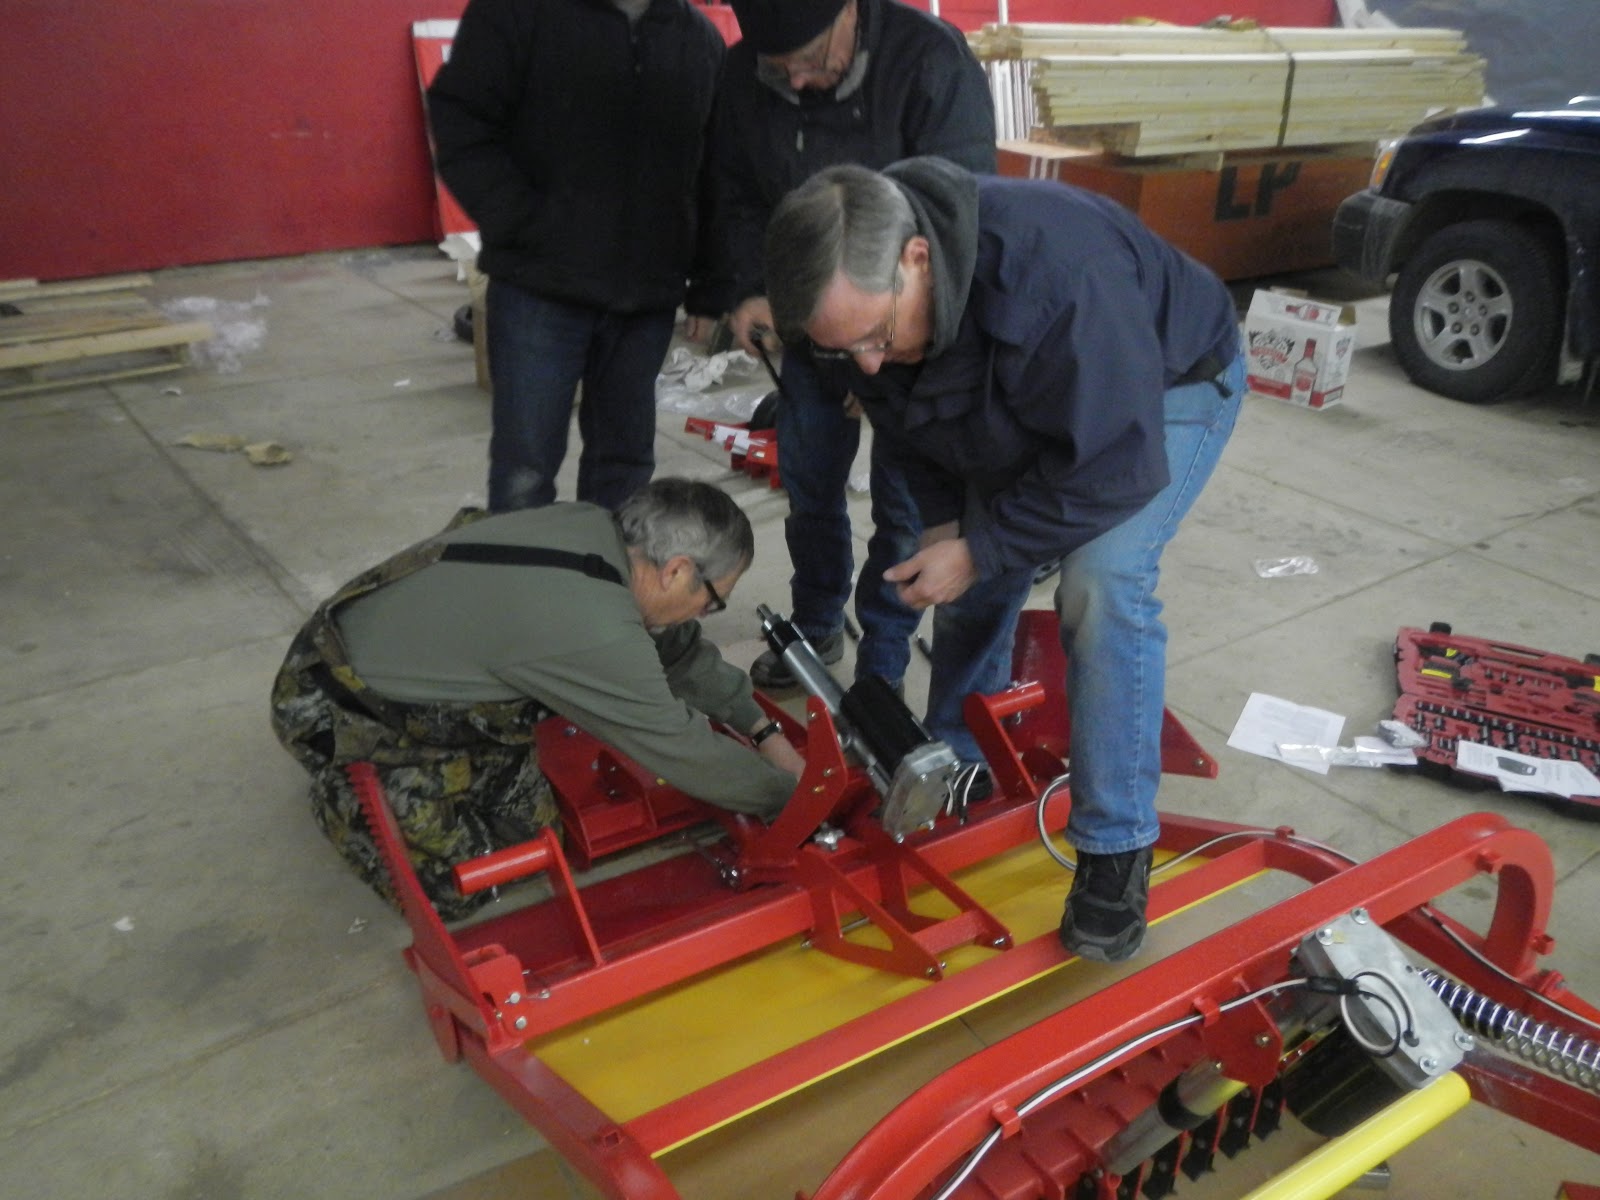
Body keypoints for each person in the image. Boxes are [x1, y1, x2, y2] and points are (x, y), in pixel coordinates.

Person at [763, 159, 1245, 963]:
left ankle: (1115, 845)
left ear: (918, 258)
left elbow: (1118, 465)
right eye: (845, 351)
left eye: (877, 337)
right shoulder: (862, 316)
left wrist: (983, 546)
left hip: (1162, 386)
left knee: (1103, 581)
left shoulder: (1060, 278)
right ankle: (961, 760)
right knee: (964, 571)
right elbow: (910, 423)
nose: (868, 365)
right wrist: (948, 529)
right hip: (1028, 395)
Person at [270, 479, 804, 919]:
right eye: (713, 602)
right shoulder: (594, 627)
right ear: (677, 570)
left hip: (385, 650)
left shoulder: (598, 531)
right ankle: (344, 788)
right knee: (459, 884)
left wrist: (764, 731)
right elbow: (684, 751)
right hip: (338, 702)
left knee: (534, 835)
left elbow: (678, 650)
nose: (706, 615)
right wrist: (795, 798)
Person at [688, 0, 998, 694]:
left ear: (850, 11)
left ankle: (882, 664)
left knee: (904, 509)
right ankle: (817, 621)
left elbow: (962, 211)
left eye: (809, 60)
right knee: (811, 487)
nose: (797, 82)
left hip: (908, 337)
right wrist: (751, 289)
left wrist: (882, 353)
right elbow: (733, 192)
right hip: (808, 326)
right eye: (780, 70)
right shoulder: (741, 76)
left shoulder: (929, 61)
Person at [427, 0, 726, 512]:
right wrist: (521, 221)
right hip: (538, 289)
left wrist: (708, 283)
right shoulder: (518, 13)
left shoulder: (697, 39)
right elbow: (460, 121)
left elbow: (716, 168)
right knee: (524, 472)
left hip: (646, 299)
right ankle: (526, 568)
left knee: (625, 468)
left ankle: (603, 566)